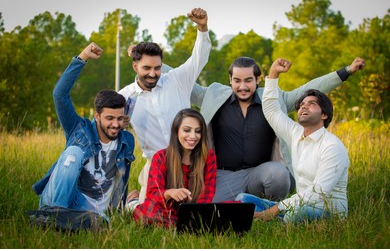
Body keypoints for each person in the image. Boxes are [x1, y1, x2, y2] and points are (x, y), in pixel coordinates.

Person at [190, 56, 366, 202]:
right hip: (223, 175)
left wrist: (346, 71)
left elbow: (309, 90)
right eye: (237, 80)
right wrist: (160, 65)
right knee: (207, 205)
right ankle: (246, 201)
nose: (242, 86)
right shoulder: (212, 94)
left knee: (279, 175)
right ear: (230, 80)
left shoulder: (273, 99)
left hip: (262, 172)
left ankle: (269, 208)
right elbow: (179, 80)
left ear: (258, 79)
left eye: (248, 80)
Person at [236, 57, 365, 223]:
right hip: (298, 204)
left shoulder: (332, 147)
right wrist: (273, 74)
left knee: (294, 215)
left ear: (324, 114)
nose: (304, 106)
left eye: (311, 104)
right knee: (243, 200)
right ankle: (272, 219)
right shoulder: (295, 133)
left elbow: (317, 194)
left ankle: (271, 220)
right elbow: (271, 110)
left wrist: (272, 211)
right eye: (302, 104)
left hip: (328, 211)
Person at [31, 43, 135, 226]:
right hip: (66, 200)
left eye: (120, 119)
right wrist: (82, 58)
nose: (115, 124)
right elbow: (59, 95)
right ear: (97, 116)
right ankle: (55, 213)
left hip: (92, 212)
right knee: (74, 152)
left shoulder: (126, 141)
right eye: (109, 118)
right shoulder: (79, 128)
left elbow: (120, 183)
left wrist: (122, 205)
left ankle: (65, 223)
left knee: (101, 223)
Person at [119, 8, 211, 205]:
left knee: (194, 211)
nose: (153, 73)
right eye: (147, 68)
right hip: (156, 166)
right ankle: (132, 201)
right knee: (147, 212)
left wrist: (202, 28)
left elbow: (199, 57)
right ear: (135, 66)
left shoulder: (177, 80)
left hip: (189, 161)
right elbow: (107, 127)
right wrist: (121, 125)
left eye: (157, 68)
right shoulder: (124, 97)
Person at [131, 108, 217, 227]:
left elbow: (208, 193)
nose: (193, 136)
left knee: (224, 212)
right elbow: (152, 195)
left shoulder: (208, 156)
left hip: (195, 210)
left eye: (198, 131)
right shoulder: (161, 157)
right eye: (187, 130)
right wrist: (169, 193)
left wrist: (197, 215)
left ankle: (184, 223)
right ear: (176, 132)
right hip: (166, 209)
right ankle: (132, 203)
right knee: (147, 212)